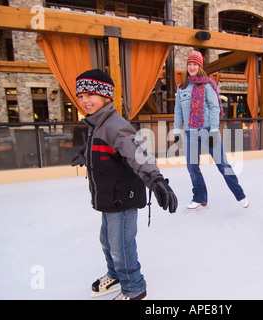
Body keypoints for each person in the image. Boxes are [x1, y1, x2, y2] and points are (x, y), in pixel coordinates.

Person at [72, 69, 178, 299]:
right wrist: (85, 156)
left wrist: (156, 180)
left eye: (90, 94)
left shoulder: (115, 125)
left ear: (107, 96)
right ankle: (116, 275)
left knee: (121, 246)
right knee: (108, 241)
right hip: (109, 196)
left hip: (122, 197)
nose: (84, 101)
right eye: (80, 96)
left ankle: (134, 287)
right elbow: (106, 152)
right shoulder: (96, 124)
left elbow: (138, 154)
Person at [173, 50, 248, 210]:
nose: (192, 67)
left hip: (208, 130)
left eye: (195, 64)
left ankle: (239, 194)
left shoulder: (207, 85)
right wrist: (176, 129)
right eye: (190, 64)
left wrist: (214, 129)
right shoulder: (182, 87)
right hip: (190, 131)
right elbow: (178, 110)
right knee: (192, 167)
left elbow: (214, 107)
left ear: (199, 66)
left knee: (222, 164)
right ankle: (199, 197)